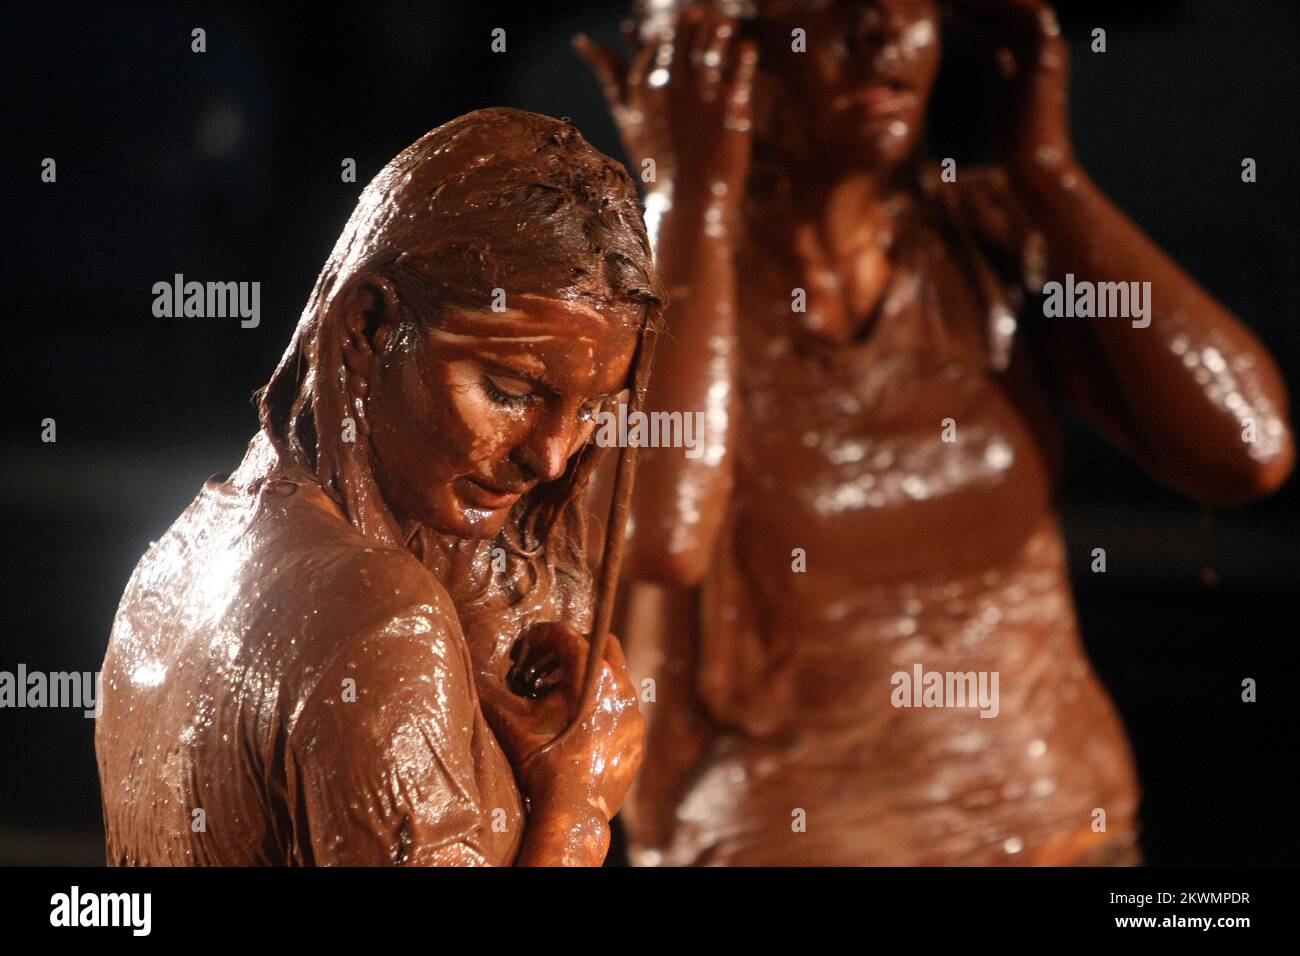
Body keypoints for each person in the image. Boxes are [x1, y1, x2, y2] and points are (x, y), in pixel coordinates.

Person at [577, 0, 1294, 864]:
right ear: (694, 52)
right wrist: (687, 204)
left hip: (1064, 830)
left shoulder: (983, 239)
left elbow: (1246, 450)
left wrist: (1046, 170)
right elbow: (658, 537)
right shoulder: (620, 296)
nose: (877, 30)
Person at [95, 108, 659, 866]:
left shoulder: (173, 557)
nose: (555, 459)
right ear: (366, 325)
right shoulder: (384, 621)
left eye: (591, 409)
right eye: (508, 390)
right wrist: (580, 809)